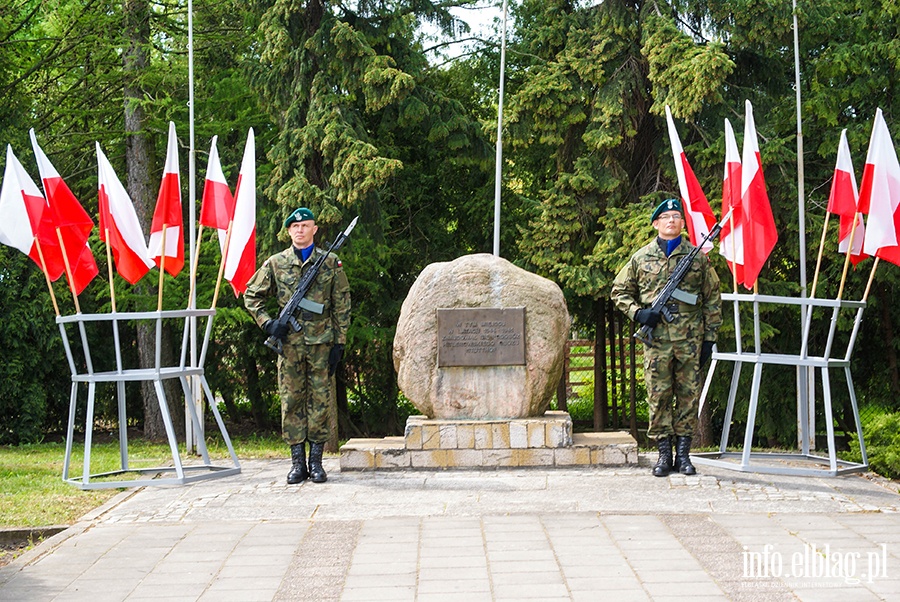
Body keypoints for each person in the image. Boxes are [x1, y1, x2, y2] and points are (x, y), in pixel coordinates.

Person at [611, 198, 722, 477]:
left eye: (677, 216)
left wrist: (709, 338)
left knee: (688, 397)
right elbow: (619, 292)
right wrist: (639, 314)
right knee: (658, 396)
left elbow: (712, 298)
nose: (672, 220)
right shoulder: (640, 258)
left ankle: (683, 455)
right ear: (656, 223)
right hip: (657, 341)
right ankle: (663, 455)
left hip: (690, 340)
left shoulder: (697, 258)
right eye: (666, 216)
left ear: (683, 223)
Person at [244, 207, 351, 484]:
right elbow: (251, 295)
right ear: (289, 231)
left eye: (305, 225)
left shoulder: (330, 263)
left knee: (319, 401)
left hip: (321, 345)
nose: (300, 230)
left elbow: (341, 305)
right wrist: (268, 324)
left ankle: (316, 463)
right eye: (295, 226)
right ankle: (296, 464)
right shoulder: (276, 263)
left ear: (315, 229)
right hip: (290, 345)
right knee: (291, 401)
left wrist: (339, 343)